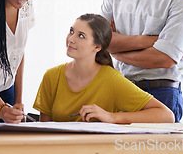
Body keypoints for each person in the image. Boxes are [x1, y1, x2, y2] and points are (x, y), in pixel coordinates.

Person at [33, 14, 174, 123]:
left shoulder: (111, 79)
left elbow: (166, 116)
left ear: (97, 47)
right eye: (71, 31)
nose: (71, 39)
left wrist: (111, 117)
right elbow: (44, 129)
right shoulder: (51, 76)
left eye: (81, 36)